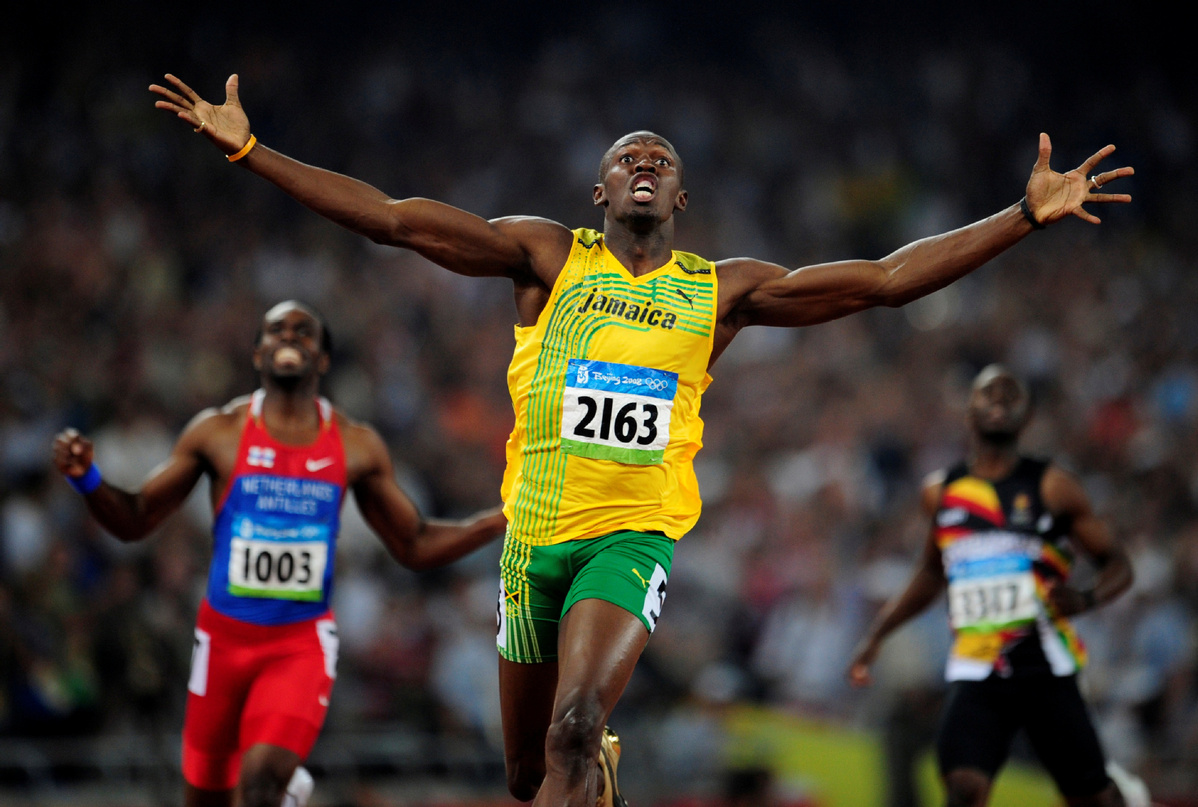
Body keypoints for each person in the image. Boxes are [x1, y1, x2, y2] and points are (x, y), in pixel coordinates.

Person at [149, 73, 1134, 807]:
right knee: (529, 774)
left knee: (578, 726)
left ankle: (593, 758)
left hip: (631, 538)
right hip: (533, 541)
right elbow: (397, 222)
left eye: (662, 158)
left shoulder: (719, 291)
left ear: (681, 201)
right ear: (599, 190)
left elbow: (882, 281)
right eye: (627, 155)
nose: (646, 162)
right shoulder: (546, 257)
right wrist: (251, 150)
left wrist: (1020, 217)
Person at [52, 300, 506, 807]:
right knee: (205, 797)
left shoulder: (355, 445)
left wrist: (497, 520)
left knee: (261, 783)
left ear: (324, 359)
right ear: (257, 353)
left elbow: (414, 543)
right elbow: (136, 519)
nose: (289, 336)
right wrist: (88, 479)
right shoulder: (218, 433)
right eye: (276, 330)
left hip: (299, 645)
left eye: (303, 331)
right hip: (223, 642)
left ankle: (280, 788)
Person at [846, 365, 1135, 807]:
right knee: (963, 786)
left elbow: (1118, 564)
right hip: (979, 665)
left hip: (1043, 666)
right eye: (988, 394)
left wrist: (1086, 597)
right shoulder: (941, 493)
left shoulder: (1053, 487)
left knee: (1090, 797)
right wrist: (877, 634)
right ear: (968, 412)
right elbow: (931, 573)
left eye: (1010, 395)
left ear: (1027, 416)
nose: (999, 402)